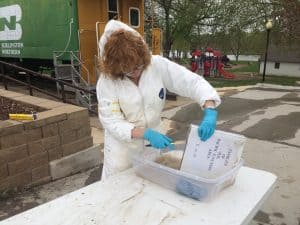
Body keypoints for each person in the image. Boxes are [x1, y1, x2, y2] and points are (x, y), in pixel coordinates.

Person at [96, 20, 221, 180]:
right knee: (120, 194)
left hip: (151, 148)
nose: (135, 73)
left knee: (151, 191)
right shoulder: (107, 82)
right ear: (115, 67)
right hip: (123, 153)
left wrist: (210, 109)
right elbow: (112, 122)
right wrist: (145, 133)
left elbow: (191, 82)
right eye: (128, 70)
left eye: (139, 66)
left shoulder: (156, 64)